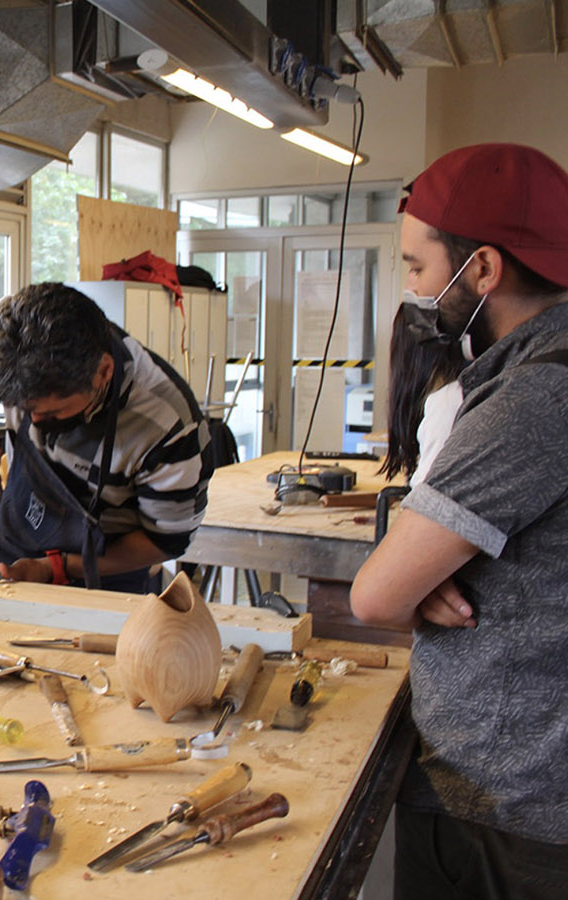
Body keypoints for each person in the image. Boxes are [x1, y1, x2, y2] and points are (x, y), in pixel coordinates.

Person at [350, 144, 568, 899]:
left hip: (507, 806)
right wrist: (429, 557)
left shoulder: (534, 399)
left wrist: (419, 567)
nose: (409, 289)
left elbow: (375, 597)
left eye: (415, 267)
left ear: (483, 270)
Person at [0, 282, 213, 593]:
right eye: (23, 409)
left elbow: (166, 541)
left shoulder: (170, 427)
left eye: (52, 414)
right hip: (13, 554)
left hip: (104, 578)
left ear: (104, 372)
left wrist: (57, 567)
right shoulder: (8, 328)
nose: (34, 423)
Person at [378, 300, 466, 486]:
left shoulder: (447, 402)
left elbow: (427, 500)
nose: (412, 282)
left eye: (418, 270)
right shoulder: (456, 395)